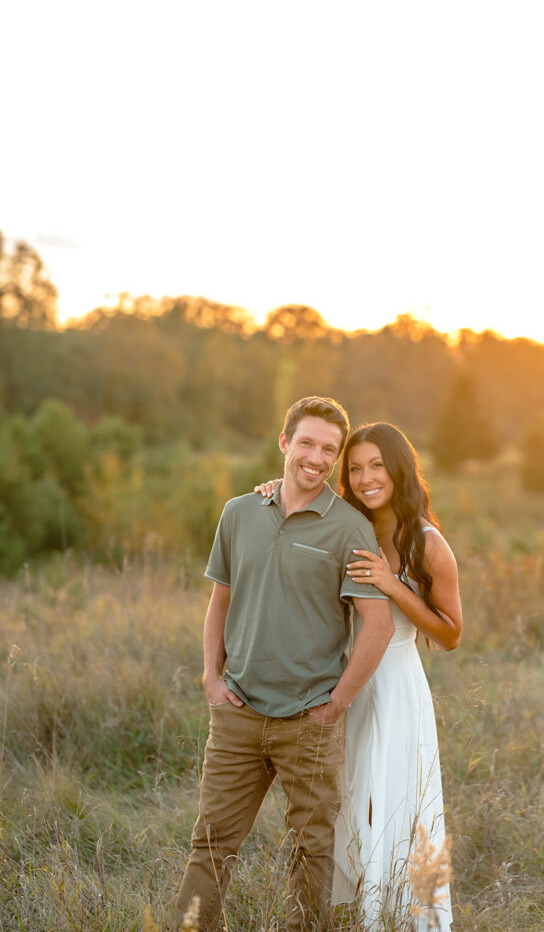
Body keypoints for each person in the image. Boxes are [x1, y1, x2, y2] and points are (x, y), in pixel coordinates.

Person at [175, 397, 395, 932]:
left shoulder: (349, 529)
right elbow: (220, 601)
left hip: (310, 721)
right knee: (211, 842)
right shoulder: (240, 512)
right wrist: (210, 676)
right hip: (239, 712)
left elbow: (379, 623)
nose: (316, 458)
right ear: (284, 442)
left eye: (329, 449)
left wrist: (337, 703)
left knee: (312, 851)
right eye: (307, 443)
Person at [256, 421, 463, 930]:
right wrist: (272, 491)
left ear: (398, 471)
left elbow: (453, 633)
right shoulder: (347, 524)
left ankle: (398, 913)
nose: (366, 477)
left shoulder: (428, 543)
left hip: (394, 685)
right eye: (355, 468)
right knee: (345, 795)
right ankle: (350, 907)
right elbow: (298, 505)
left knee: (393, 798)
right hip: (342, 678)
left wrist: (395, 588)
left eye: (377, 466)